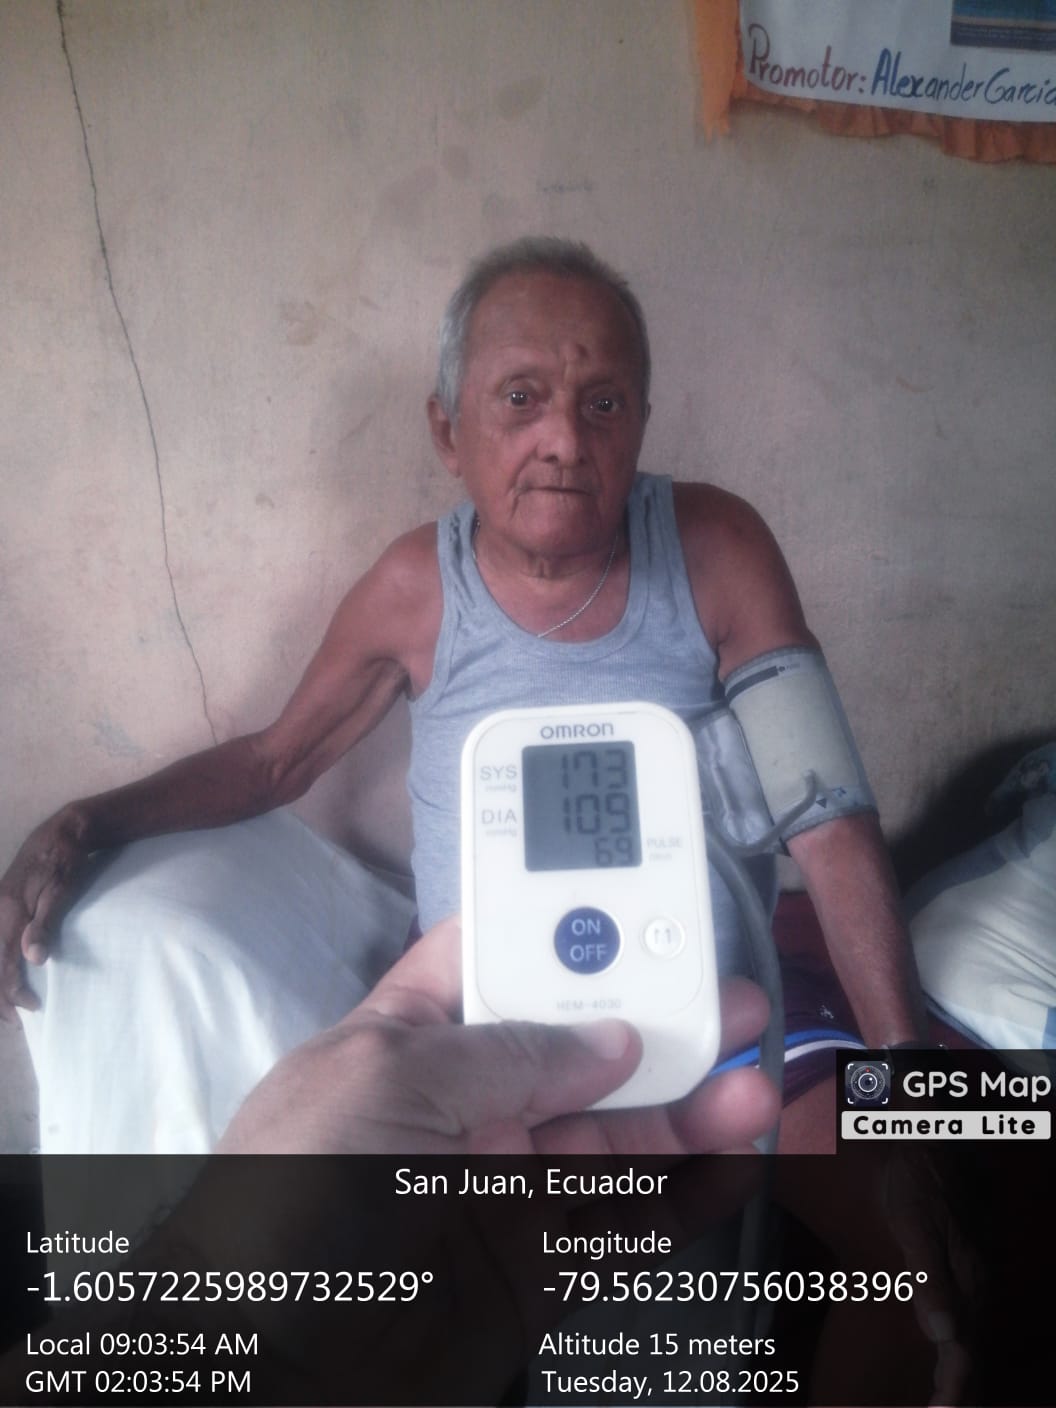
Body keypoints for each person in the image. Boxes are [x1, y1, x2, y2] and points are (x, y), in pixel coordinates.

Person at [0, 237, 928, 1142]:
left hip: (712, 994)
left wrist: (905, 1075)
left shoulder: (719, 548)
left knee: (914, 1183)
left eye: (603, 403)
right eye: (521, 398)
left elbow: (827, 814)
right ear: (448, 430)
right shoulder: (417, 588)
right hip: (483, 1014)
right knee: (441, 1227)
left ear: (641, 422)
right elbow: (276, 762)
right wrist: (85, 824)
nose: (565, 440)